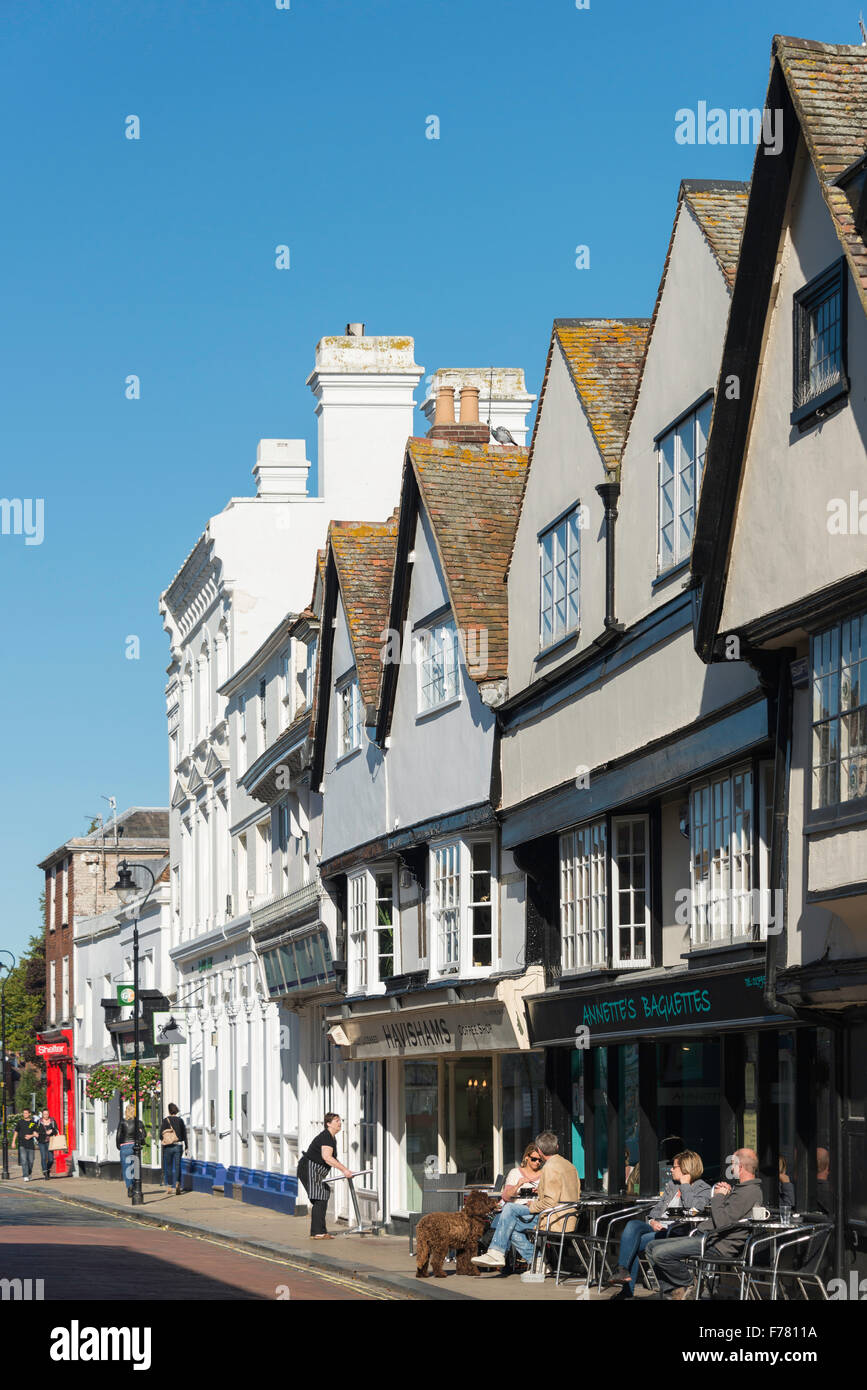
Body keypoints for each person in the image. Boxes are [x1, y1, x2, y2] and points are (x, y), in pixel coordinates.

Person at [647, 1147, 763, 1299]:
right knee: (650, 1247)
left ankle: (689, 1283)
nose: (730, 1167)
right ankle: (675, 1291)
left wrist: (719, 1196)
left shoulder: (749, 1192)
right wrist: (723, 1196)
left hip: (716, 1245)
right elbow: (724, 1214)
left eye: (732, 1164)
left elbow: (721, 1222)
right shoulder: (741, 1189)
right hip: (705, 1237)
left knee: (659, 1253)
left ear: (740, 1166)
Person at [606, 1150, 712, 1297]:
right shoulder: (672, 1185)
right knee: (633, 1225)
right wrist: (652, 1220)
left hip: (676, 1231)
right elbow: (657, 1209)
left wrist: (685, 1185)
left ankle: (626, 1290)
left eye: (674, 1167)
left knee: (633, 1244)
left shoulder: (703, 1188)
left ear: (685, 1169)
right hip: (658, 1227)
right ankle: (622, 1270)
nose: (671, 1170)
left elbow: (693, 1210)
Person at [471, 1130, 580, 1270]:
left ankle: (497, 1252)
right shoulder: (570, 1166)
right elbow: (571, 1193)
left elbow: (549, 1202)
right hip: (569, 1217)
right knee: (510, 1226)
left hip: (554, 1219)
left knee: (509, 1211)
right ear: (557, 1147)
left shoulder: (550, 1168)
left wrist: (532, 1205)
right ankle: (537, 1262)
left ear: (539, 1151)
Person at [297, 1113, 353, 1239]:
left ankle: (320, 1231)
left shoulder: (331, 1137)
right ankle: (318, 1232)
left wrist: (346, 1170)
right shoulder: (326, 1137)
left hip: (314, 1170)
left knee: (323, 1193)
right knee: (319, 1197)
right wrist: (344, 1170)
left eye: (340, 1121)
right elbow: (327, 1158)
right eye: (336, 1121)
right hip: (309, 1168)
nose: (339, 1123)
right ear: (328, 1123)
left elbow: (331, 1158)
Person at [116, 1103, 146, 1195]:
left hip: (124, 1146)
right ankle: (134, 1185)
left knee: (126, 1168)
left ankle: (129, 1186)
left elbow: (118, 1136)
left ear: (126, 1111)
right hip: (134, 1146)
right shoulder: (139, 1123)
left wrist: (119, 1146)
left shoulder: (122, 1122)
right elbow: (144, 1135)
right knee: (134, 1168)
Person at [160, 1103, 188, 1195]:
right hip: (178, 1146)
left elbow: (161, 1134)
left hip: (168, 1147)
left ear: (169, 1110)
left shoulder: (165, 1121)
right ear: (176, 1110)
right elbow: (184, 1134)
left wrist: (165, 1140)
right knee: (177, 1166)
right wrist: (187, 1146)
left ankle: (169, 1187)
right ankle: (177, 1184)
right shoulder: (180, 1120)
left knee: (168, 1167)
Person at [35, 1110, 60, 1180]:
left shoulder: (52, 1121)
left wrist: (52, 1130)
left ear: (48, 1114)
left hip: (50, 1142)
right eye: (44, 1114)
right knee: (43, 1157)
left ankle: (47, 1169)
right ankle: (45, 1172)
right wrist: (36, 1135)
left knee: (51, 1159)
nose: (45, 1116)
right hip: (41, 1141)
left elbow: (56, 1130)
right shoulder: (39, 1122)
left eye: (47, 1114)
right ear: (42, 1115)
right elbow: (35, 1130)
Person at [14, 1108, 38, 1181]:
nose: (25, 1114)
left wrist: (30, 1136)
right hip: (22, 1144)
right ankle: (25, 1175)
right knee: (24, 1161)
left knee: (31, 1161)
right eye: (24, 1113)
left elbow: (36, 1134)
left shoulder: (33, 1123)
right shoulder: (20, 1122)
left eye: (26, 1113)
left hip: (30, 1144)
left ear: (29, 1114)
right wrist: (13, 1141)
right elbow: (16, 1132)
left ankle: (29, 1173)